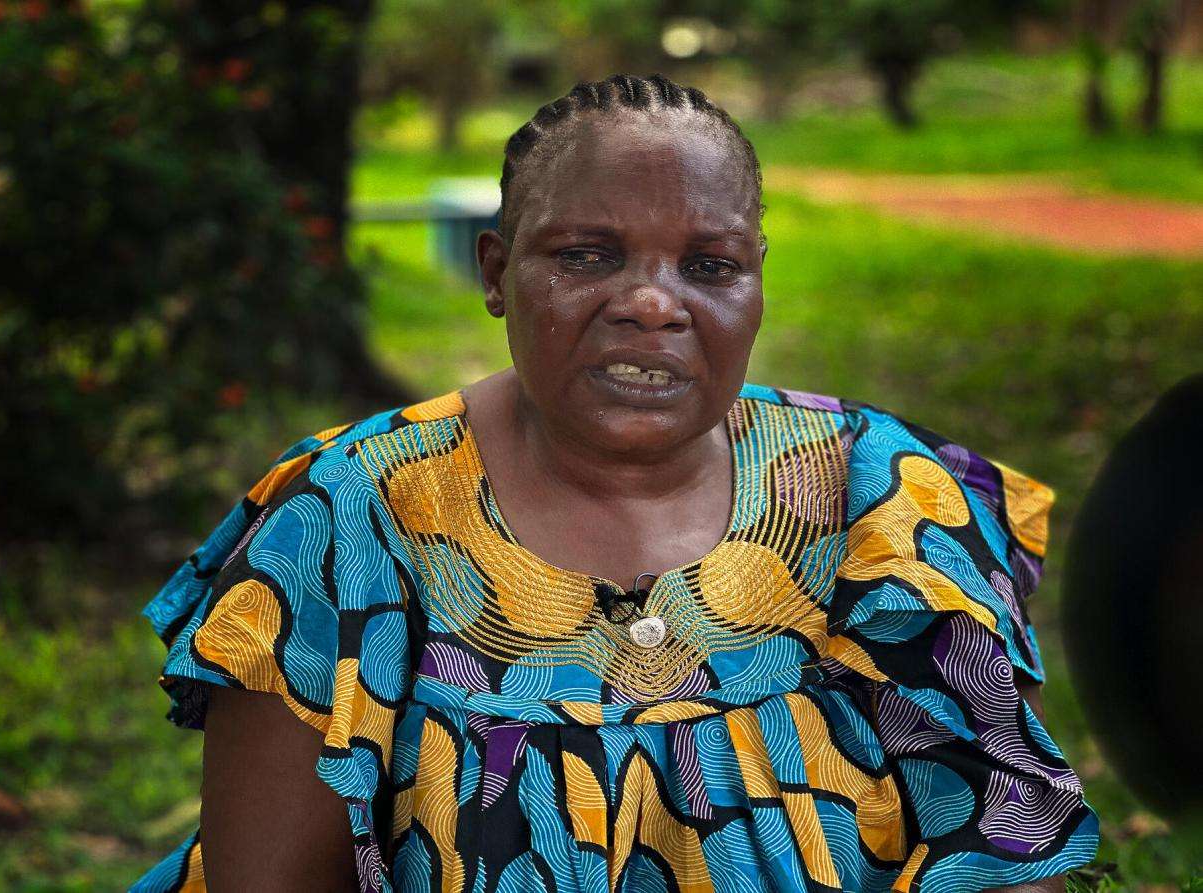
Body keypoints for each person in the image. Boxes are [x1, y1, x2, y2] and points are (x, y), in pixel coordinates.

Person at [130, 74, 1098, 893]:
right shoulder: (348, 514)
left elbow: (999, 845)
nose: (649, 302)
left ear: (754, 283)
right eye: (586, 255)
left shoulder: (882, 499)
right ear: (499, 272)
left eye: (707, 264)